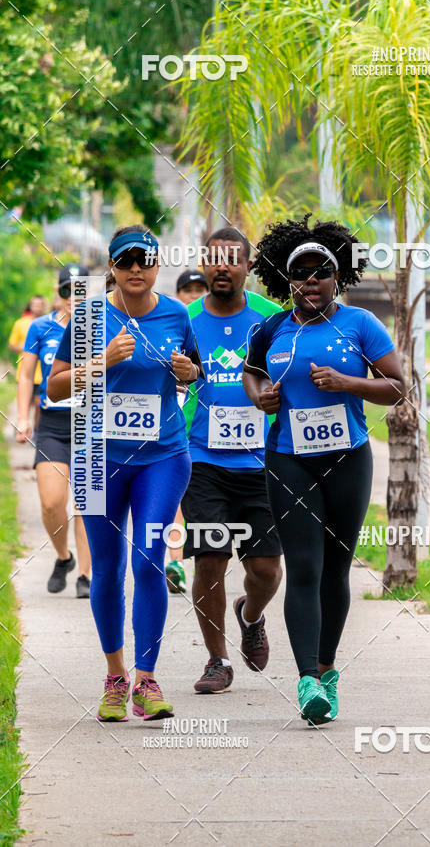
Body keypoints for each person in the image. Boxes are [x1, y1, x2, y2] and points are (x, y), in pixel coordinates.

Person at [243, 216, 405, 725]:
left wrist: (347, 384)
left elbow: (398, 387)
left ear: (339, 278)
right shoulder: (270, 328)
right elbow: (251, 372)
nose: (310, 281)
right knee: (305, 567)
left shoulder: (360, 325)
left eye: (321, 272)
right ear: (286, 279)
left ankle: (329, 670)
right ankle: (307, 679)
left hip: (348, 458)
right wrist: (262, 397)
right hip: (288, 459)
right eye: (300, 273)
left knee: (336, 568)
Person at [48, 225, 203, 722]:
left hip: (162, 454)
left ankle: (147, 679)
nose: (136, 268)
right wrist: (99, 362)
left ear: (158, 266)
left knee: (149, 560)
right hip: (98, 458)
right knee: (107, 568)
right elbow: (54, 388)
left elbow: (194, 369)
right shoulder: (91, 316)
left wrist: (189, 373)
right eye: (126, 260)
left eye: (146, 260)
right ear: (112, 267)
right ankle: (115, 677)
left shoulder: (177, 314)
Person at [180, 226, 283, 694]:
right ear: (203, 263)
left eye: (232, 259)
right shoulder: (183, 320)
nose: (222, 266)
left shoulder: (273, 320)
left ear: (246, 267)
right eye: (214, 259)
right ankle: (217, 660)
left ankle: (251, 614)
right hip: (201, 460)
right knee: (210, 559)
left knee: (266, 571)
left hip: (263, 462)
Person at [16, 269, 91, 597]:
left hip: (91, 424)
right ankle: (64, 557)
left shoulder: (104, 328)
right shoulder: (40, 326)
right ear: (59, 293)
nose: (75, 297)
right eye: (68, 290)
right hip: (53, 424)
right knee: (51, 503)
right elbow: (25, 375)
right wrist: (22, 416)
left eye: (81, 291)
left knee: (88, 505)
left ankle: (86, 577)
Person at [164, 269, 209, 594]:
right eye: (187, 289)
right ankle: (175, 561)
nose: (194, 295)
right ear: (179, 295)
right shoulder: (169, 326)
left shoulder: (212, 328)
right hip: (173, 426)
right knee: (176, 497)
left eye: (199, 289)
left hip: (206, 428)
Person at [10, 296, 47, 435]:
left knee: (39, 404)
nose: (37, 307)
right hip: (25, 371)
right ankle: (21, 426)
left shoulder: (47, 323)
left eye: (40, 305)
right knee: (24, 403)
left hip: (42, 373)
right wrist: (29, 351)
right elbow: (12, 344)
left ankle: (37, 431)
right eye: (35, 305)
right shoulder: (20, 323)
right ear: (30, 306)